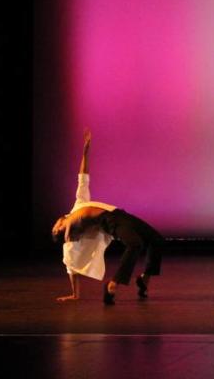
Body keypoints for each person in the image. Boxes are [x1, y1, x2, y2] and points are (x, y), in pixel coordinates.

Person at [51, 129, 164, 305]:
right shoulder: (69, 236)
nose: (56, 222)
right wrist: (75, 294)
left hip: (120, 214)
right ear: (59, 229)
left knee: (157, 240)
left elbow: (83, 178)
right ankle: (113, 284)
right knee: (135, 244)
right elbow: (70, 265)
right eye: (55, 227)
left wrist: (85, 150)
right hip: (109, 222)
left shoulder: (78, 205)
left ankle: (144, 280)